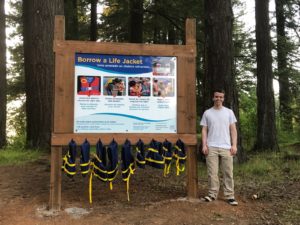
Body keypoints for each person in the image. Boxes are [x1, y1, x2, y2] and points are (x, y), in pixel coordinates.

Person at [200, 89, 238, 206]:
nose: (218, 99)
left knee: (228, 172)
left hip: (226, 147)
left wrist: (234, 145)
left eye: (221, 97)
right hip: (211, 146)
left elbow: (233, 130)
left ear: (223, 98)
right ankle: (212, 194)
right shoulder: (207, 113)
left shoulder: (229, 112)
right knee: (212, 173)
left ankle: (230, 196)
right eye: (216, 97)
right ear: (213, 98)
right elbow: (204, 130)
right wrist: (204, 145)